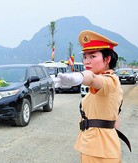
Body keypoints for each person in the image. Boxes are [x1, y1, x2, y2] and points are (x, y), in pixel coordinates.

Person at [54, 30, 130, 162]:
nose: (86, 61)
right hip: (96, 147)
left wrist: (81, 76)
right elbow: (115, 120)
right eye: (85, 56)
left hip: (101, 152)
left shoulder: (109, 81)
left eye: (92, 56)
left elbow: (92, 78)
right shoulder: (103, 81)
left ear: (107, 59)